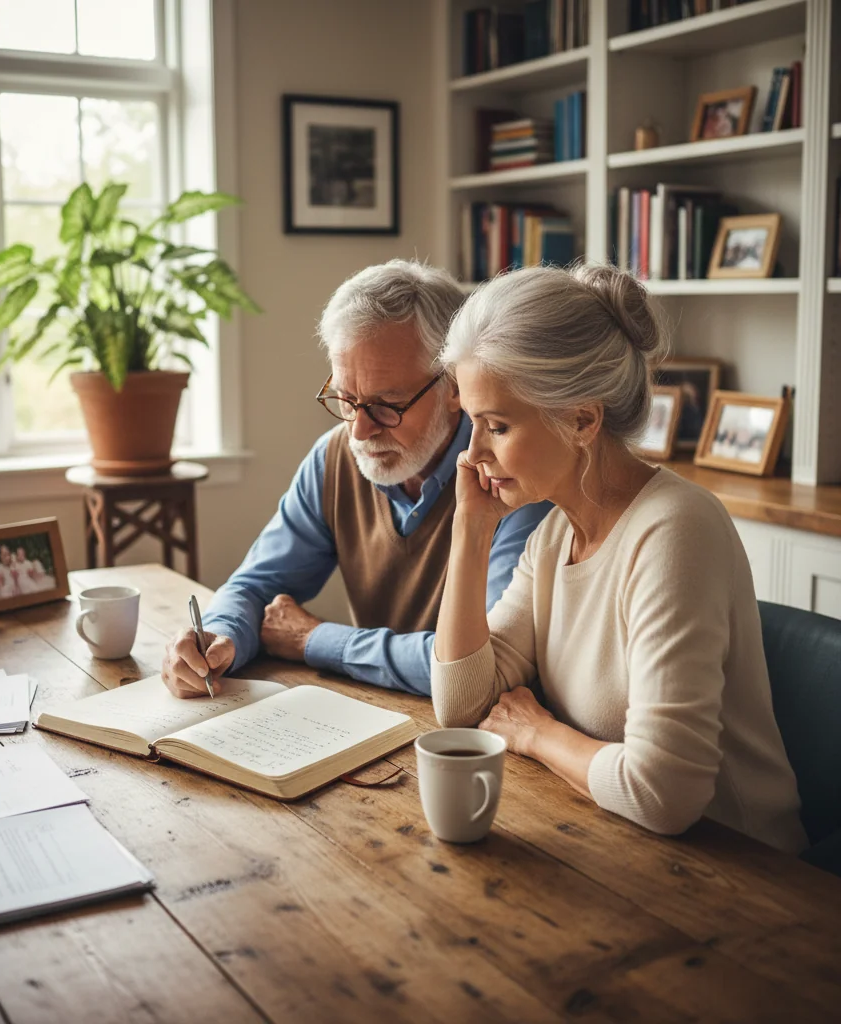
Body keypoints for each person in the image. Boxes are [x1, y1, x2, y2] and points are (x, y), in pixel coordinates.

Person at [429, 263, 806, 852]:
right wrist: (470, 532)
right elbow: (462, 707)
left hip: (743, 870)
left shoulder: (677, 530)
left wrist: (537, 734)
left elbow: (666, 793)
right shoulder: (553, 536)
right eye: (471, 426)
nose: (472, 454)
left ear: (582, 419)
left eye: (496, 426)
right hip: (620, 838)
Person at [161, 260, 552, 699]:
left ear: (454, 388)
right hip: (375, 715)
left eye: (388, 405)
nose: (359, 431)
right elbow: (255, 586)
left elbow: (483, 665)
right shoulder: (335, 458)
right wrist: (217, 638)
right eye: (346, 399)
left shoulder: (512, 475)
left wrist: (315, 640)